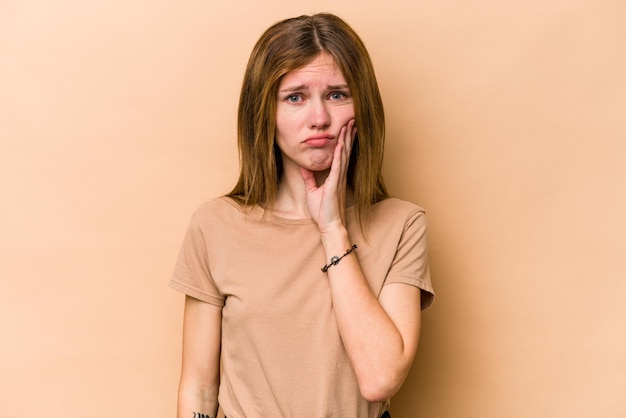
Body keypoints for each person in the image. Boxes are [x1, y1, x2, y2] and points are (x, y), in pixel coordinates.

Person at [170, 12, 434, 418]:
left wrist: (332, 228)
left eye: (337, 94)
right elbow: (199, 390)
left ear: (361, 107)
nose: (319, 119)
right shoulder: (215, 225)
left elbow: (380, 378)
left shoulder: (401, 224)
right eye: (295, 97)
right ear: (265, 113)